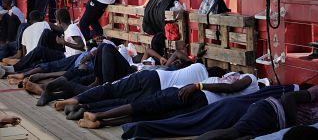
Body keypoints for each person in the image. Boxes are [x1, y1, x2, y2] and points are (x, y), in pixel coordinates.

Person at [72, 72, 258, 127]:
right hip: (203, 103)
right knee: (153, 114)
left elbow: (232, 87)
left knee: (148, 105)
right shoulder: (251, 98)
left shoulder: (252, 80)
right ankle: (102, 122)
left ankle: (99, 115)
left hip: (197, 95)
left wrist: (197, 86)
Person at [120, 85, 299, 139]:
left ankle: (136, 129)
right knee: (185, 125)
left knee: (183, 122)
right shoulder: (252, 81)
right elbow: (232, 87)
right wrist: (198, 85)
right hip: (230, 109)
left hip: (226, 107)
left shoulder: (266, 90)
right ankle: (137, 129)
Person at [50, 63, 225, 111]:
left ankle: (74, 99)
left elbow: (177, 62)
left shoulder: (198, 67)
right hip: (158, 92)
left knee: (111, 88)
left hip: (153, 76)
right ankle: (84, 107)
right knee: (121, 102)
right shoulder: (207, 84)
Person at [195, 86, 318, 140]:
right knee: (233, 132)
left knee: (246, 138)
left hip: (278, 126)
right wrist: (293, 126)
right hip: (271, 110)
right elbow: (288, 98)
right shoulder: (317, 91)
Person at [0, 8, 85, 76]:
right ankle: (18, 67)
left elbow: (82, 46)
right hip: (66, 55)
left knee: (39, 50)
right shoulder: (67, 29)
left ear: (59, 21)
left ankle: (14, 69)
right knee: (45, 34)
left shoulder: (72, 28)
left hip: (70, 59)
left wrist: (64, 42)